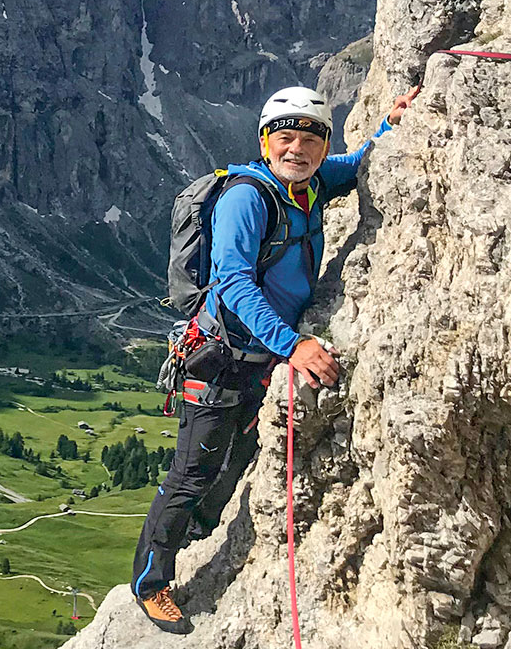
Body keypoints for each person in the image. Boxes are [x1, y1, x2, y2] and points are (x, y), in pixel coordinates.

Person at [131, 84, 419, 633]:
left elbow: (357, 165)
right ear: (266, 144)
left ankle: (200, 539)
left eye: (310, 140)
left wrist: (390, 124)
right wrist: (296, 345)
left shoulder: (311, 185)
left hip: (260, 360)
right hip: (221, 360)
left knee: (237, 462)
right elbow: (234, 283)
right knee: (191, 474)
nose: (297, 150)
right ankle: (150, 584)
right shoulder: (249, 198)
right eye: (285, 138)